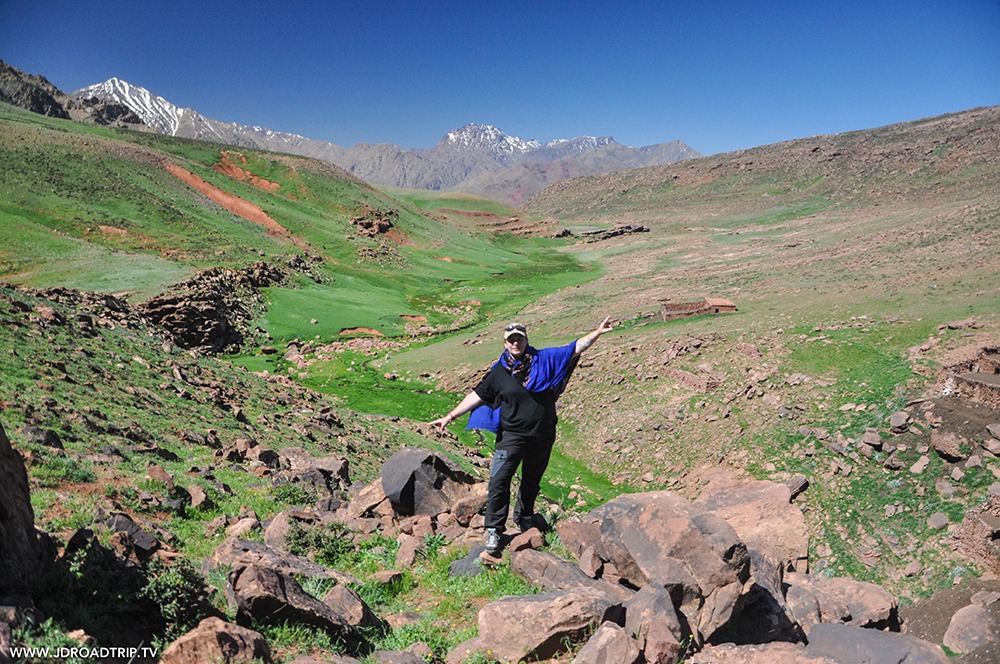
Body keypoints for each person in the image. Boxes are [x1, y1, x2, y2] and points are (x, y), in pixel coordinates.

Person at [431, 317, 614, 555]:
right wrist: (450, 416)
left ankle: (524, 516)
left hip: (543, 434)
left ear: (526, 340)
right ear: (505, 343)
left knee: (531, 480)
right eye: (511, 340)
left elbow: (575, 348)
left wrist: (597, 332)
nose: (515, 343)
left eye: (519, 338)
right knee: (499, 481)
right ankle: (494, 530)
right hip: (512, 437)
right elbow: (477, 395)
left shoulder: (544, 360)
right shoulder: (499, 374)